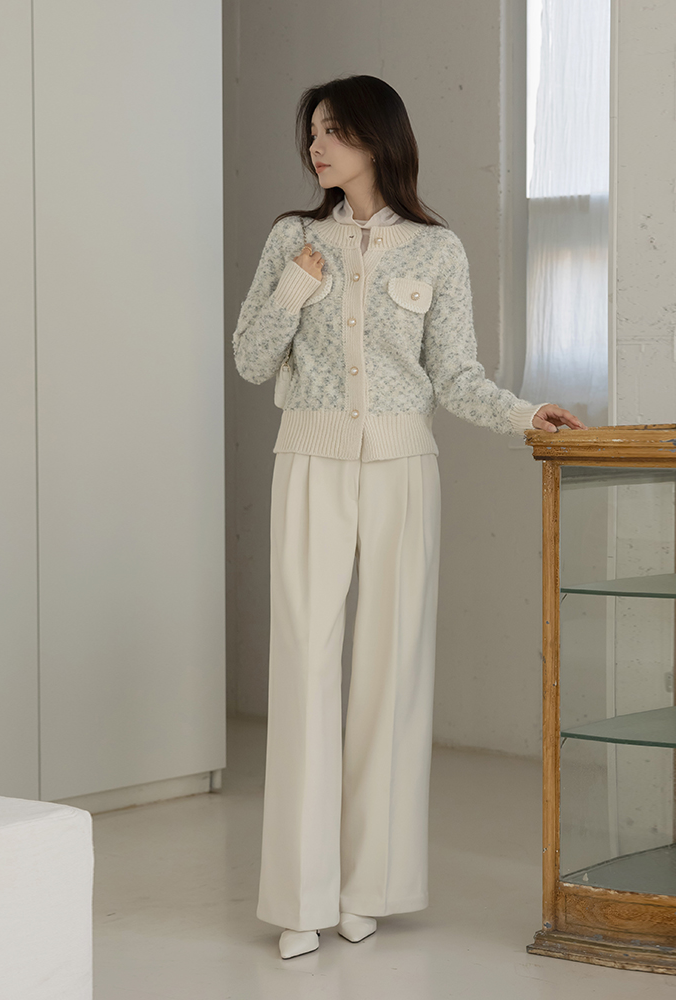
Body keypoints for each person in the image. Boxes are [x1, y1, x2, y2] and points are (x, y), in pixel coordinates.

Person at [232, 75, 584, 960]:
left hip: (402, 469)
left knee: (392, 670)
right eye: (313, 131)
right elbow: (248, 360)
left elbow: (454, 374)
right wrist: (294, 291)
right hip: (310, 461)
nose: (317, 146)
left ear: (378, 139)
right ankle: (301, 898)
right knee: (305, 668)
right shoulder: (292, 239)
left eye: (335, 131)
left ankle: (369, 889)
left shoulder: (437, 249)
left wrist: (525, 414)